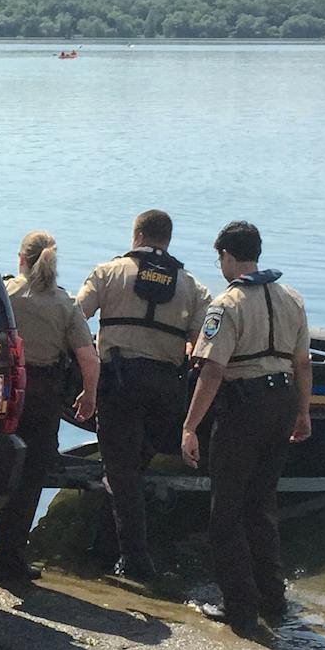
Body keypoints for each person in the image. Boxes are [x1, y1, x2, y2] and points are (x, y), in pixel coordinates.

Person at [179, 221, 312, 639]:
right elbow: (303, 362)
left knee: (226, 512)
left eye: (219, 257)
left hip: (244, 406)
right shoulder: (292, 297)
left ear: (227, 256)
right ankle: (274, 598)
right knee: (262, 505)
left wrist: (190, 426)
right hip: (283, 400)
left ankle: (239, 607)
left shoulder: (227, 304)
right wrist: (303, 412)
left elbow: (213, 370)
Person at [0, 230, 98, 590]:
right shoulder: (64, 304)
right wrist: (89, 396)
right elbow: (88, 358)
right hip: (42, 396)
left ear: (21, 259)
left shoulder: (5, 294)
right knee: (29, 478)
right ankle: (9, 562)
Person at [75, 209, 209, 580]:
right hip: (166, 389)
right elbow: (200, 346)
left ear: (136, 236)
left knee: (121, 472)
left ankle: (137, 561)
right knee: (128, 467)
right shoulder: (193, 286)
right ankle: (103, 549)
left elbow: (75, 318)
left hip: (119, 382)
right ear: (167, 239)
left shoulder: (108, 272)